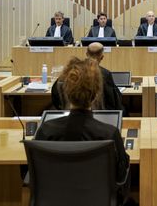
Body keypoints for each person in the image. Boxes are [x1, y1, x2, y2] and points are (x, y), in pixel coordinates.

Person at [36, 57, 130, 204]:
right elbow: (120, 176)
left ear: (66, 91)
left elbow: (33, 173)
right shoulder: (109, 134)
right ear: (97, 93)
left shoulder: (46, 130)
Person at [51, 42, 125, 114]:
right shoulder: (105, 74)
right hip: (98, 116)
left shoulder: (72, 70)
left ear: (86, 54)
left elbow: (55, 93)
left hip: (70, 113)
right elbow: (114, 101)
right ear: (102, 57)